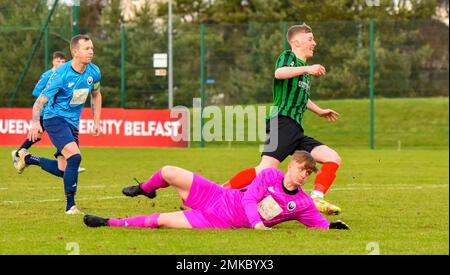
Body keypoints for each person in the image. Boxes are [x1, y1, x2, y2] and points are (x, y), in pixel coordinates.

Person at [223, 23, 342, 216]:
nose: (314, 43)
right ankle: (221, 192)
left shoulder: (303, 69)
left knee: (332, 158)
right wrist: (308, 69)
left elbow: (301, 96)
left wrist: (319, 110)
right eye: (310, 39)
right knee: (264, 171)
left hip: (296, 130)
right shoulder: (289, 57)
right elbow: (279, 73)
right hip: (282, 122)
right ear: (296, 41)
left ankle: (316, 197)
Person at [83, 150, 350, 231]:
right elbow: (249, 199)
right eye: (300, 169)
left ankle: (107, 222)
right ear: (290, 166)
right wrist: (257, 223)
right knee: (168, 171)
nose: (302, 175)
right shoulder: (269, 173)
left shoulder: (302, 202)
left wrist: (333, 227)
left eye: (307, 172)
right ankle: (146, 188)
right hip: (218, 197)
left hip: (218, 220)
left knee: (162, 220)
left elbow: (317, 223)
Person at [18, 34, 102, 214]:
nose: (91, 52)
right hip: (54, 118)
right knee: (75, 157)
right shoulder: (61, 75)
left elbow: (96, 95)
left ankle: (28, 158)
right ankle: (70, 207)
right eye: (87, 49)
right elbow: (39, 101)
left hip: (72, 122)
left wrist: (96, 121)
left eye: (92, 48)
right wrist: (35, 123)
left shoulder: (93, 72)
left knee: (64, 171)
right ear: (75, 52)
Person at [11, 52, 87, 174]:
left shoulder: (66, 74)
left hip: (57, 112)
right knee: (38, 135)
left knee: (47, 136)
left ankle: (21, 154)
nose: (61, 63)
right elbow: (36, 91)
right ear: (53, 62)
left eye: (63, 61)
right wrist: (49, 96)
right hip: (46, 112)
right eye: (58, 61)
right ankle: (20, 154)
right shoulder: (48, 75)